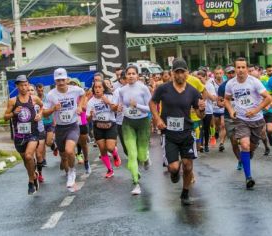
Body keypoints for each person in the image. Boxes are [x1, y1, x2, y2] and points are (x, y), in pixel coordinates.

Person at [149, 58, 206, 205]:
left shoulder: (193, 92)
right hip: (169, 134)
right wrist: (157, 119)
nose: (180, 75)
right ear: (173, 73)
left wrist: (202, 108)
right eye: (177, 72)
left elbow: (200, 115)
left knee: (188, 165)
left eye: (182, 72)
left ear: (187, 73)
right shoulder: (163, 88)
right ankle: (174, 173)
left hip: (187, 132)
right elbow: (152, 102)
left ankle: (185, 193)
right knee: (174, 167)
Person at [224, 57, 272, 189]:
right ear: (235, 69)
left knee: (250, 148)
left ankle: (247, 157)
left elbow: (268, 98)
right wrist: (231, 110)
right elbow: (226, 99)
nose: (240, 70)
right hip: (241, 119)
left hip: (257, 119)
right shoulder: (230, 84)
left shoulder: (255, 82)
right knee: (244, 145)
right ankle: (248, 178)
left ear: (246, 68)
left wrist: (255, 110)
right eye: (238, 67)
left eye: (243, 67)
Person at [43, 68, 85, 191]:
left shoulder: (76, 90)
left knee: (69, 151)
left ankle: (72, 172)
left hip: (72, 125)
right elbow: (45, 113)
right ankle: (67, 168)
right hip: (60, 128)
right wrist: (53, 109)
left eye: (62, 80)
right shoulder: (51, 95)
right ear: (55, 81)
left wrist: (80, 106)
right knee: (63, 155)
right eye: (58, 80)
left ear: (67, 79)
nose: (61, 83)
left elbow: (83, 95)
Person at [4, 75, 43, 195]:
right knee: (27, 162)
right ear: (17, 86)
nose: (24, 87)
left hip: (33, 133)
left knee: (28, 156)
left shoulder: (34, 98)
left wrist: (40, 114)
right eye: (21, 85)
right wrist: (13, 113)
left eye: (26, 85)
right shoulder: (13, 101)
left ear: (28, 85)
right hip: (19, 136)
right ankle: (33, 175)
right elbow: (5, 117)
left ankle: (31, 181)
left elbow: (42, 106)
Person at [118, 65, 151, 195]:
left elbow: (150, 108)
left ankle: (146, 157)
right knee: (132, 154)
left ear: (137, 75)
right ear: (125, 76)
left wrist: (136, 105)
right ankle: (136, 182)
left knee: (141, 155)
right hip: (128, 124)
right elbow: (121, 105)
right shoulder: (122, 90)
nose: (131, 75)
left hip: (143, 123)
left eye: (133, 73)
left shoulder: (143, 89)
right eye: (129, 73)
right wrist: (120, 108)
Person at [87, 80, 121, 178]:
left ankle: (115, 154)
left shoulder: (110, 96)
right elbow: (87, 118)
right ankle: (110, 170)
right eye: (95, 87)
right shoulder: (91, 102)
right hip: (98, 127)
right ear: (93, 89)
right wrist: (91, 115)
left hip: (110, 125)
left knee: (110, 147)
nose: (97, 89)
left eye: (99, 87)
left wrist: (108, 102)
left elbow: (116, 109)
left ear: (103, 88)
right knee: (102, 149)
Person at [218, 66, 242, 170]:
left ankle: (246, 154)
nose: (231, 74)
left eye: (233, 72)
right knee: (233, 141)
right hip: (229, 117)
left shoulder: (241, 84)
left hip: (242, 116)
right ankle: (240, 160)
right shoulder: (222, 87)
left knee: (244, 140)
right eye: (229, 73)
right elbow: (218, 102)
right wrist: (225, 103)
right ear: (226, 74)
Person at [68, 78, 91, 174]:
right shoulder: (67, 97)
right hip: (71, 124)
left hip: (82, 123)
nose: (73, 87)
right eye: (71, 85)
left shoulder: (83, 97)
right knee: (71, 146)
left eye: (75, 85)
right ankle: (71, 167)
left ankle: (86, 161)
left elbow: (85, 108)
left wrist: (80, 106)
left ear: (78, 86)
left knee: (83, 144)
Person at [197, 69, 217, 153]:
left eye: (200, 78)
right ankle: (200, 145)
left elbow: (213, 98)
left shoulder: (210, 86)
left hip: (208, 110)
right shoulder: (196, 85)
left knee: (206, 128)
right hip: (198, 110)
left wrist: (204, 91)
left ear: (205, 77)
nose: (199, 80)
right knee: (200, 128)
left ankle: (206, 145)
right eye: (197, 78)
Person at [28, 84, 45, 183]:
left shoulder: (37, 101)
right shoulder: (23, 102)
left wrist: (40, 114)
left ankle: (40, 173)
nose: (30, 92)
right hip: (29, 132)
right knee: (31, 155)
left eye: (32, 90)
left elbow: (43, 109)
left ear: (34, 91)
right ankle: (33, 172)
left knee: (38, 155)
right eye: (28, 90)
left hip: (40, 129)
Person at [211, 66, 226, 152]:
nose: (219, 75)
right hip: (215, 107)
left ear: (223, 73)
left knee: (223, 125)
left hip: (224, 106)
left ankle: (221, 143)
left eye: (220, 73)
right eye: (217, 73)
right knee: (216, 124)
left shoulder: (226, 82)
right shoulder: (211, 82)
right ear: (214, 74)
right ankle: (216, 131)